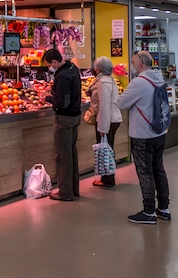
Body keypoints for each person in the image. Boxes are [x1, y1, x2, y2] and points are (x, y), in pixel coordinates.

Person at [116, 51, 169, 225]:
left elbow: (121, 103)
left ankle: (148, 211)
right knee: (158, 169)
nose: (131, 66)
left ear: (139, 64)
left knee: (145, 172)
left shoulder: (139, 83)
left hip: (142, 135)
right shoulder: (159, 78)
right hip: (159, 132)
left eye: (132, 62)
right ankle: (163, 208)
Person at [43, 48, 82, 201]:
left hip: (64, 119)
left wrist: (48, 98)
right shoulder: (73, 68)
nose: (49, 68)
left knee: (63, 156)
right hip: (75, 116)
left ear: (54, 62)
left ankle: (65, 192)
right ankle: (74, 188)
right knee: (72, 153)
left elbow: (63, 103)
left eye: (49, 65)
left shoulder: (63, 76)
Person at [86, 56, 123, 187]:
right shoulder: (109, 80)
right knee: (108, 148)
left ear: (99, 68)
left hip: (108, 120)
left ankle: (108, 179)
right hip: (111, 119)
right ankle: (107, 177)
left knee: (106, 149)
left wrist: (102, 128)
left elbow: (105, 106)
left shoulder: (103, 83)